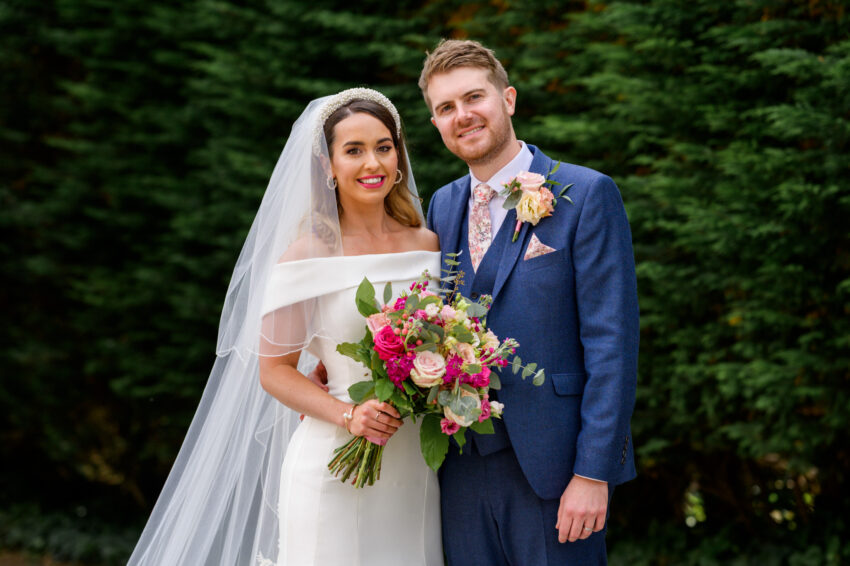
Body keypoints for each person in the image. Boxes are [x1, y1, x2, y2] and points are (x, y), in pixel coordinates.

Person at [127, 88, 442, 566]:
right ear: (327, 166)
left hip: (415, 466)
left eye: (383, 146)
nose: (372, 162)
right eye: (353, 150)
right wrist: (347, 415)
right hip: (337, 463)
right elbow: (274, 370)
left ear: (399, 155)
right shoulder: (307, 254)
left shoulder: (426, 243)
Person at [420, 39, 639, 565]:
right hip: (460, 472)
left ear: (509, 99)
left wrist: (593, 472)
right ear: (435, 123)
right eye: (445, 108)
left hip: (558, 472)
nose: (463, 115)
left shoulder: (586, 194)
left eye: (474, 97)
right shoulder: (441, 205)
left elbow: (613, 341)